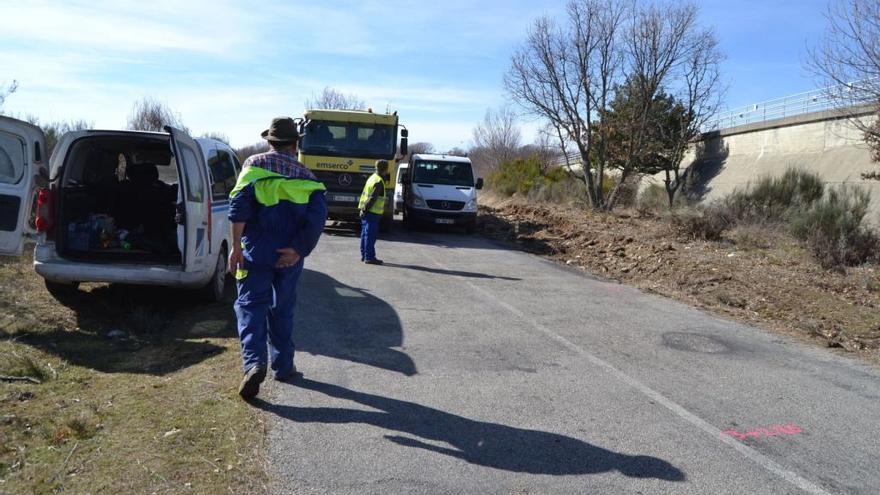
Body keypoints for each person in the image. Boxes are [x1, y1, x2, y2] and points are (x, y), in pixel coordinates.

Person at [228, 117, 328, 400]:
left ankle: (254, 364)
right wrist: (298, 249)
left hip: (255, 252)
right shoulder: (307, 177)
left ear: (269, 142)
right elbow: (317, 217)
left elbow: (238, 208)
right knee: (283, 309)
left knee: (250, 306)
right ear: (295, 144)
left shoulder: (253, 166)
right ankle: (284, 367)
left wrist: (235, 247)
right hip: (290, 257)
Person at [359, 160, 389, 265]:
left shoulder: (372, 177)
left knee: (365, 234)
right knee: (370, 235)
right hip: (372, 212)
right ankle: (369, 257)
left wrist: (363, 209)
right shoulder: (379, 181)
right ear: (385, 169)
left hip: (366, 210)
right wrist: (365, 209)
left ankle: (364, 255)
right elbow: (372, 198)